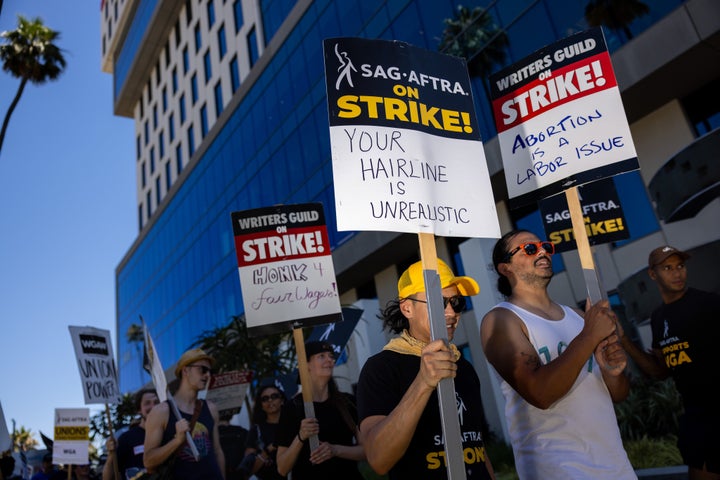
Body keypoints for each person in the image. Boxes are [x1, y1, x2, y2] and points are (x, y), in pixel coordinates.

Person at [480, 229, 635, 479]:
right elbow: (540, 394)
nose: (542, 251)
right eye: (529, 249)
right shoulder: (501, 320)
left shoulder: (579, 317)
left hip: (616, 467)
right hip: (558, 470)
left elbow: (618, 394)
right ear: (505, 268)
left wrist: (613, 372)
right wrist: (589, 336)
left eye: (545, 247)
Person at [357, 258, 496, 479]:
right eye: (438, 302)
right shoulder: (381, 368)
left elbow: (474, 445)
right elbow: (378, 458)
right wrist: (423, 382)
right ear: (407, 308)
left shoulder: (462, 365)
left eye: (457, 302)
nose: (451, 312)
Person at [619, 245, 720, 480]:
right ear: (653, 274)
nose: (677, 273)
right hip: (696, 417)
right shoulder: (658, 318)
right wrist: (624, 339)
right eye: (668, 268)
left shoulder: (709, 304)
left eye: (680, 266)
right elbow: (660, 371)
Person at [276, 341, 365, 479]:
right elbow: (282, 468)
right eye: (321, 356)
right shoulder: (291, 409)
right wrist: (301, 436)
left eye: (331, 356)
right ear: (306, 365)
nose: (329, 359)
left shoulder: (348, 403)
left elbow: (367, 451)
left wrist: (335, 450)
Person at [144, 348, 225, 479]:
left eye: (210, 371)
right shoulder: (161, 411)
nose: (208, 375)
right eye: (203, 370)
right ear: (186, 370)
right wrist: (177, 441)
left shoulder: (211, 408)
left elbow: (217, 451)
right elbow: (148, 462)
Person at [102, 388, 159, 480]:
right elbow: (107, 478)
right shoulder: (126, 438)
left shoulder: (169, 433)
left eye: (156, 402)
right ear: (139, 410)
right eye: (147, 403)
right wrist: (111, 455)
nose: (153, 406)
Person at [236, 383, 286, 480]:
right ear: (261, 405)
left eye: (274, 396)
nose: (270, 400)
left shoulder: (294, 425)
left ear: (282, 400)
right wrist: (268, 450)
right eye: (265, 399)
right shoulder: (256, 430)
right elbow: (249, 469)